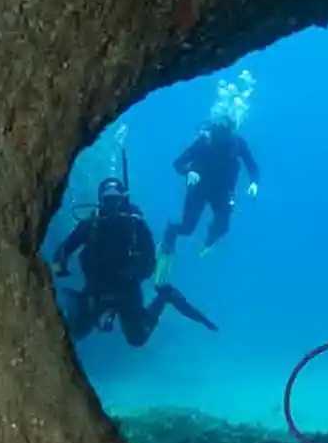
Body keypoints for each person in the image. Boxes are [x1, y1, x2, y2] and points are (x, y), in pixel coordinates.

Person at [48, 177, 218, 345]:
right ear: (101, 201)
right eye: (108, 200)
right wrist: (59, 264)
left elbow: (150, 261)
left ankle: (165, 297)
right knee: (76, 332)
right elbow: (65, 247)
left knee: (137, 339)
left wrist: (134, 272)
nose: (112, 206)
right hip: (96, 288)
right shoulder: (90, 226)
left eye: (116, 200)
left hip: (126, 290)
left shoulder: (136, 227)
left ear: (122, 201)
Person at [160, 112, 261, 262]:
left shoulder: (237, 144)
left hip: (222, 193)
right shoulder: (203, 142)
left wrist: (254, 182)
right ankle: (170, 236)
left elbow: (252, 165)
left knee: (222, 227)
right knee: (188, 228)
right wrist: (190, 171)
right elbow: (178, 163)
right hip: (199, 190)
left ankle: (208, 242)